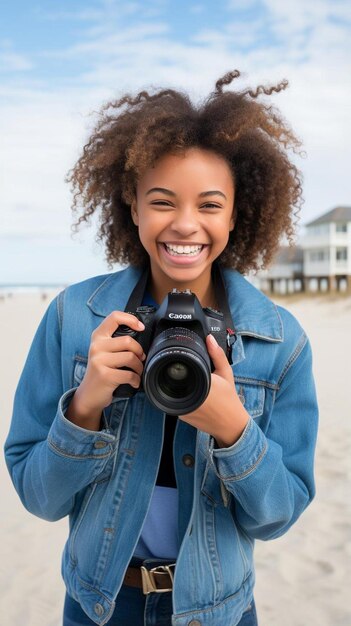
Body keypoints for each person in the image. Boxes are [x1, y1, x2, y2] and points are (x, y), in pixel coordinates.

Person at [4, 69, 318, 626]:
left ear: (238, 210)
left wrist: (234, 431)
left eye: (210, 204)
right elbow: (39, 497)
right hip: (99, 602)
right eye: (163, 201)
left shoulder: (279, 341)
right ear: (132, 202)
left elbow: (277, 517)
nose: (185, 224)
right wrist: (85, 406)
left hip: (218, 608)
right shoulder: (74, 319)